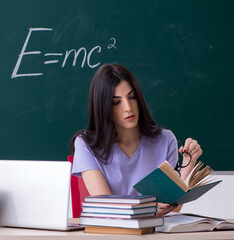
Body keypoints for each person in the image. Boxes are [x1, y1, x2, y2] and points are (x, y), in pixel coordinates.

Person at [70, 63, 202, 216]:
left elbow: (173, 209)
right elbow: (106, 208)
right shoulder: (86, 144)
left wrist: (187, 165)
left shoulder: (165, 139)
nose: (128, 107)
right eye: (116, 102)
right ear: (103, 107)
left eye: (132, 97)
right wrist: (149, 207)